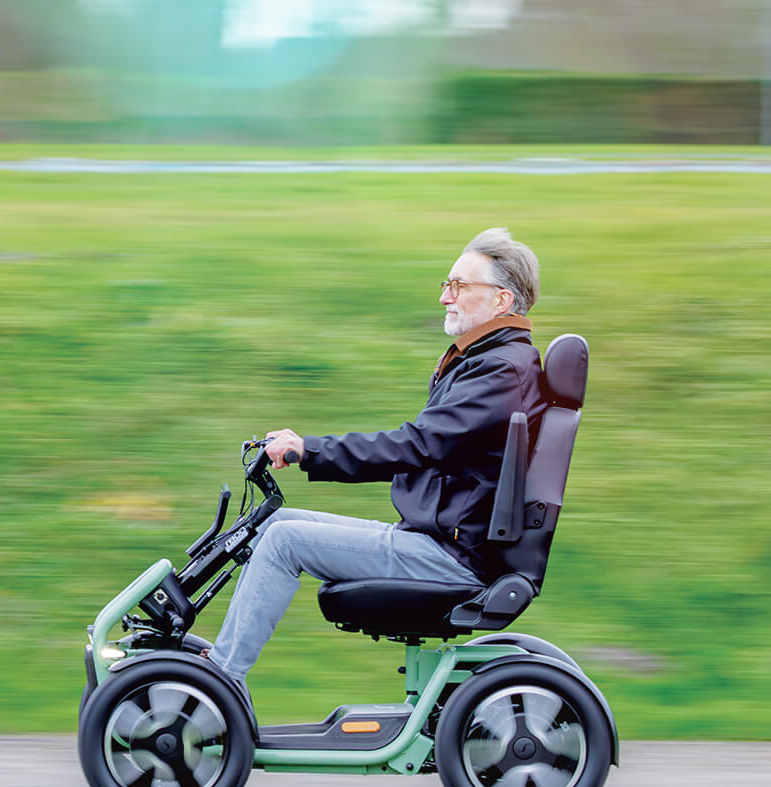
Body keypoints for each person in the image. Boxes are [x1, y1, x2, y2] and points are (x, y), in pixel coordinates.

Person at [205, 227, 547, 681]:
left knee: (285, 542)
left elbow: (417, 444)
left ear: (501, 301)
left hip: (449, 556)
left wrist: (310, 452)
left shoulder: (500, 370)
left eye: (460, 286)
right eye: (447, 285)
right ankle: (216, 668)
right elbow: (428, 446)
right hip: (441, 539)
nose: (446, 297)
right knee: (274, 522)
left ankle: (220, 681)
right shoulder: (490, 360)